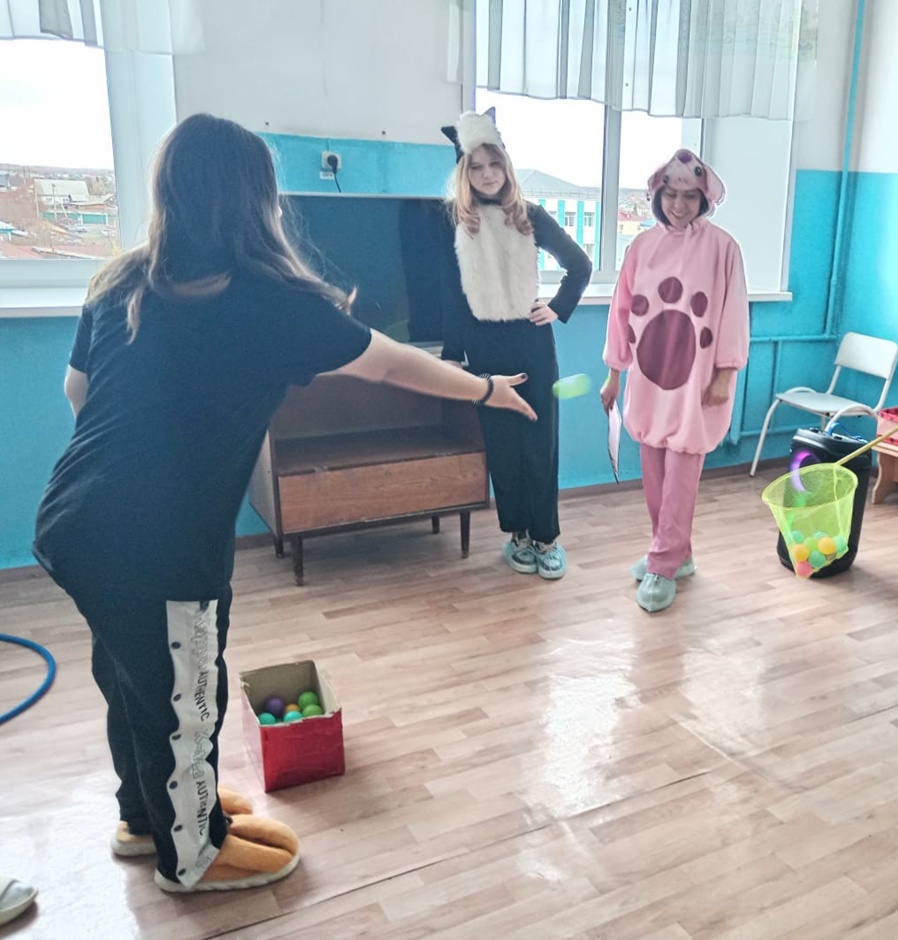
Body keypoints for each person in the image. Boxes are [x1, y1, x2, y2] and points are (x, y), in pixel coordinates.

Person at [31, 113, 535, 894]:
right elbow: (390, 364)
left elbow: (78, 392)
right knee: (184, 695)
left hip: (73, 521)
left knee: (131, 678)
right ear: (258, 201)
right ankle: (192, 855)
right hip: (161, 543)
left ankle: (145, 818)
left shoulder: (120, 281)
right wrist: (486, 388)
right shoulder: (272, 301)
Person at [437, 109, 593, 580]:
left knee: (539, 442)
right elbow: (451, 296)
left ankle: (547, 537)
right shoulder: (453, 221)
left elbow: (579, 264)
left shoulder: (530, 215)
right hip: (483, 345)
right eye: (476, 167)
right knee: (503, 444)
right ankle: (518, 536)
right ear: (464, 172)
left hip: (531, 341)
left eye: (494, 165)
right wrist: (452, 355)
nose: (487, 175)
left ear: (506, 166)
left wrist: (558, 307)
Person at [600, 149, 749, 613]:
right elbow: (621, 312)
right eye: (671, 195)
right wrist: (613, 374)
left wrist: (725, 374)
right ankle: (675, 554)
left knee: (681, 476)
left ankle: (663, 564)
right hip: (649, 375)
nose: (679, 205)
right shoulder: (641, 247)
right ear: (657, 196)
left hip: (697, 380)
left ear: (704, 199)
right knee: (654, 475)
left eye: (689, 197)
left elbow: (734, 315)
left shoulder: (723, 248)